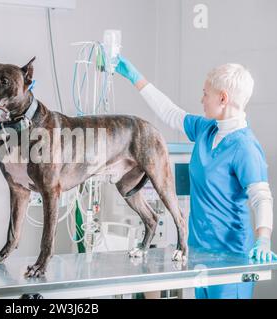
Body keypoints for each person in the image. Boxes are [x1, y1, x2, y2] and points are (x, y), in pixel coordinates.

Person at [115, 55, 276, 299]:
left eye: (205, 94)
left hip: (230, 259)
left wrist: (263, 237)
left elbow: (261, 196)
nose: (201, 99)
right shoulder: (206, 129)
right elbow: (170, 113)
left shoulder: (245, 147)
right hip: (199, 252)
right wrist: (136, 78)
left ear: (223, 98)